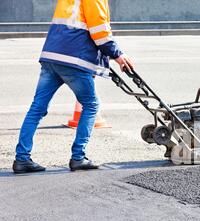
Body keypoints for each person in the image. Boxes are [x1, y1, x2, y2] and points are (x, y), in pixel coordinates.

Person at [13, 0, 134, 174]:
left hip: (51, 55)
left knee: (37, 108)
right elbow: (100, 32)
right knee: (91, 105)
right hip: (74, 59)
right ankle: (78, 157)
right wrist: (118, 55)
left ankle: (22, 159)